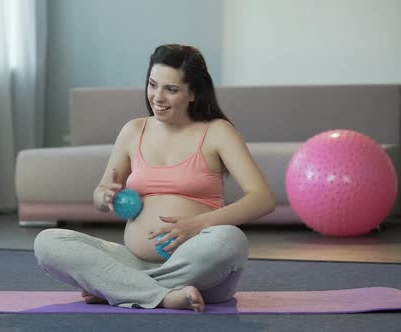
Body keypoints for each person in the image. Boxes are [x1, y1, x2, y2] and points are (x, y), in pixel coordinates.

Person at [34, 44, 275, 312]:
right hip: (133, 260)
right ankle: (160, 295)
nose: (157, 97)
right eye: (152, 84)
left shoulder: (218, 132)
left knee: (231, 240)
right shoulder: (133, 131)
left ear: (193, 93)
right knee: (48, 243)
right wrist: (104, 196)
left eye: (171, 89)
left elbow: (263, 199)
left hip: (201, 270)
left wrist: (197, 225)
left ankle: (118, 288)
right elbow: (101, 194)